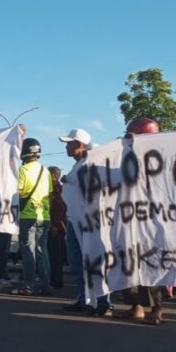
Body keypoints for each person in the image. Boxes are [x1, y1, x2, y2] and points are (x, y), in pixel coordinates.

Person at [112, 118, 165, 325]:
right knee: (128, 264)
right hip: (128, 219)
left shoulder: (159, 159)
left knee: (151, 264)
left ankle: (157, 308)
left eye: (131, 136)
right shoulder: (125, 157)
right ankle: (136, 307)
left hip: (152, 221)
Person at [58, 128, 112, 315]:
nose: (66, 147)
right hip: (74, 220)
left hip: (89, 222)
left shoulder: (91, 164)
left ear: (79, 144)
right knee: (76, 263)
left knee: (94, 261)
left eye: (69, 143)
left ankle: (103, 302)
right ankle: (85, 299)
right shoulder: (78, 166)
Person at [11, 138, 53, 296]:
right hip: (45, 216)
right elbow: (49, 193)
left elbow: (19, 192)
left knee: (29, 252)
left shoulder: (23, 171)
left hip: (28, 216)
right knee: (43, 251)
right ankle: (45, 286)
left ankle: (28, 286)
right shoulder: (45, 171)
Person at [47, 166, 67, 289]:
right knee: (52, 254)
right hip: (54, 225)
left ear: (54, 176)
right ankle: (53, 280)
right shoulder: (55, 189)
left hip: (57, 227)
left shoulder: (57, 189)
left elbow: (60, 208)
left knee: (55, 255)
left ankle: (56, 281)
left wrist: (55, 224)